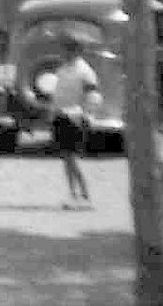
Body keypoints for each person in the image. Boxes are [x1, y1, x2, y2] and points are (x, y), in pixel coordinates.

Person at [49, 32, 99, 209]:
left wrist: (87, 115)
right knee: (66, 157)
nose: (66, 52)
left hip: (75, 117)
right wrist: (52, 112)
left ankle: (85, 195)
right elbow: (57, 93)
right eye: (65, 49)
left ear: (77, 51)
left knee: (73, 157)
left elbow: (92, 96)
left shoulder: (85, 71)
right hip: (61, 116)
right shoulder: (62, 69)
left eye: (70, 49)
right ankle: (73, 194)